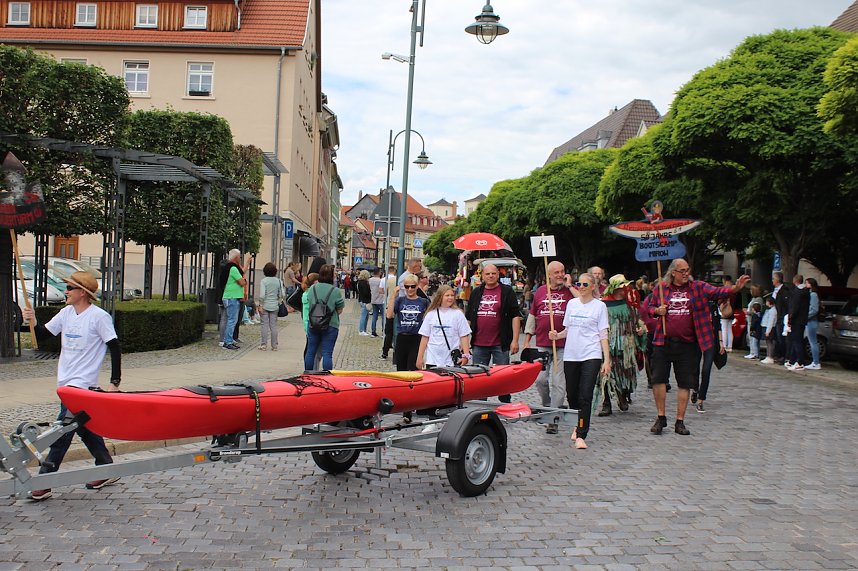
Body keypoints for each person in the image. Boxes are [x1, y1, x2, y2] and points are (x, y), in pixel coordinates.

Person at [22, 271, 122, 501]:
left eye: (69, 288)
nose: (65, 292)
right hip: (65, 384)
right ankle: (106, 466)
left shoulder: (99, 317)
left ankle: (45, 481)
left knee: (62, 431)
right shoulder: (66, 313)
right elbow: (42, 336)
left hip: (82, 386)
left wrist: (114, 382)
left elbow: (115, 347)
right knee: (84, 428)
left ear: (83, 293)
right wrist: (32, 320)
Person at [646, 258, 750, 435]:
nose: (686, 273)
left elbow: (718, 292)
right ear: (673, 273)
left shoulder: (698, 287)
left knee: (685, 382)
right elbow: (649, 307)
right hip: (663, 342)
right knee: (658, 380)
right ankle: (661, 417)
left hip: (687, 344)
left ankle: (680, 421)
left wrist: (735, 288)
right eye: (682, 271)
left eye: (688, 270)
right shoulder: (662, 289)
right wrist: (657, 311)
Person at [549, 272, 611, 450]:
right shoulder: (572, 304)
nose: (581, 287)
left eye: (585, 284)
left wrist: (606, 359)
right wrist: (557, 335)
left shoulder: (599, 306)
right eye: (579, 284)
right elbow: (567, 330)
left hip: (591, 354)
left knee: (585, 394)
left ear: (593, 287)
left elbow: (603, 334)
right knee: (572, 394)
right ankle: (577, 422)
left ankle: (582, 433)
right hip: (571, 354)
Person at [522, 260, 575, 433]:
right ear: (549, 275)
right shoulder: (540, 291)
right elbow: (533, 316)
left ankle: (553, 418)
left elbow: (583, 301)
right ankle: (548, 406)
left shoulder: (570, 292)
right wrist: (526, 341)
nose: (560, 275)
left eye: (562, 271)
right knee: (540, 380)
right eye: (556, 272)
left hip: (563, 344)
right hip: (542, 343)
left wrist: (570, 285)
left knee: (559, 382)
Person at [465, 263, 522, 403]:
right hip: (479, 343)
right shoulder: (476, 292)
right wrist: (464, 342)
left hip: (500, 343)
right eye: (487, 274)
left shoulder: (507, 291)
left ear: (498, 275)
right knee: (479, 379)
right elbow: (468, 318)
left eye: (493, 273)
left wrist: (515, 340)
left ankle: (505, 404)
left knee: (503, 378)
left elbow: (515, 316)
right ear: (482, 276)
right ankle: (480, 405)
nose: (490, 276)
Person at [598, 274, 647, 417]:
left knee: (626, 371)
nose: (625, 290)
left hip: (627, 344)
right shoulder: (602, 305)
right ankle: (606, 403)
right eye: (622, 287)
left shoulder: (630, 304)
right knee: (606, 373)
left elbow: (637, 321)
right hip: (608, 343)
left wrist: (640, 330)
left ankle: (623, 395)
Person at [416, 285, 471, 370]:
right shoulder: (431, 314)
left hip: (451, 360)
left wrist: (466, 355)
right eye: (447, 295)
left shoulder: (458, 314)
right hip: (432, 359)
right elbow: (425, 337)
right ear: (440, 297)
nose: (450, 298)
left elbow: (464, 335)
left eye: (452, 295)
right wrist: (420, 357)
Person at [303, 265, 345, 371]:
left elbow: (309, 302)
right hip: (330, 324)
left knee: (310, 351)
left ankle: (308, 374)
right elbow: (339, 310)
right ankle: (327, 376)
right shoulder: (335, 291)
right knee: (327, 353)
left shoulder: (312, 289)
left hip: (313, 322)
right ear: (331, 276)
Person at [389, 274, 430, 372]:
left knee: (413, 369)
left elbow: (430, 319)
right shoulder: (400, 300)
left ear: (417, 286)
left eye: (413, 286)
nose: (410, 289)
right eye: (407, 286)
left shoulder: (424, 302)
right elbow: (389, 315)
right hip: (402, 337)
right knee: (401, 370)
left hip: (416, 338)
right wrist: (393, 296)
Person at [691, 298, 725, 414]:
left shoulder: (713, 307)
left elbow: (718, 325)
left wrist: (721, 342)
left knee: (706, 370)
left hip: (711, 341)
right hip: (697, 340)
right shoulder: (696, 306)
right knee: (694, 367)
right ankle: (695, 388)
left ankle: (701, 400)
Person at [220, 249, 247, 350]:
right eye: (239, 257)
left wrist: (241, 280)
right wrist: (244, 280)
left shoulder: (229, 267)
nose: (240, 258)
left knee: (230, 320)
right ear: (236, 258)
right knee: (232, 320)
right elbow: (242, 282)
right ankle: (228, 342)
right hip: (232, 297)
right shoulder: (233, 268)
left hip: (229, 296)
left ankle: (228, 340)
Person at [785, 274, 810, 371]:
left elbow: (794, 307)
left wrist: (790, 319)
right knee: (797, 340)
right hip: (802, 319)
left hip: (797, 319)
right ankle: (793, 360)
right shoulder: (805, 292)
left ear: (794, 280)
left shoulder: (797, 292)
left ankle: (800, 362)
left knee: (796, 341)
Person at [258, 262, 284, 351]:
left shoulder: (264, 281)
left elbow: (262, 295)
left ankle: (263, 344)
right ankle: (274, 345)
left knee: (264, 325)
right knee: (273, 325)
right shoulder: (279, 281)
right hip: (275, 306)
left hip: (265, 305)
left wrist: (260, 304)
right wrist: (278, 301)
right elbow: (282, 294)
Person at [301, 273, 322, 370]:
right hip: (313, 323)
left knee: (309, 348)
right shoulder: (313, 294)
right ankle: (310, 369)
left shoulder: (306, 293)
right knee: (312, 350)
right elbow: (318, 310)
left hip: (307, 322)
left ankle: (308, 368)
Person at [772, 271, 791, 364]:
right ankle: (778, 354)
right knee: (777, 337)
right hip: (777, 316)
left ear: (778, 280)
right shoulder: (775, 290)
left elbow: (785, 305)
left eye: (773, 279)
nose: (772, 281)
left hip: (782, 317)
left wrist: (783, 315)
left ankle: (784, 356)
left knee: (782, 338)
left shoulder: (784, 291)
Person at [804, 278, 822, 370]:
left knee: (813, 342)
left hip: (811, 321)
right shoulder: (811, 294)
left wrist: (805, 316)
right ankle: (815, 362)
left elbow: (814, 309)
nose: (805, 285)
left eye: (807, 283)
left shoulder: (813, 295)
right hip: (810, 321)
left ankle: (816, 362)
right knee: (812, 341)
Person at [381, 265, 398, 359]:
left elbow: (384, 291)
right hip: (398, 307)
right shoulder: (402, 280)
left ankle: (385, 352)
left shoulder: (389, 280)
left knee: (389, 332)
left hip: (389, 306)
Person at [719, 276, 735, 352]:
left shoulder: (724, 290)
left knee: (724, 329)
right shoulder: (733, 290)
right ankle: (730, 346)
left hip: (724, 312)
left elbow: (720, 301)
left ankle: (724, 346)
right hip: (731, 311)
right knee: (729, 329)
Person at [760, 296, 778, 364]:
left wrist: (768, 331)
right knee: (768, 342)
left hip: (770, 328)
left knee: (770, 342)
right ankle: (768, 356)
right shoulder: (770, 310)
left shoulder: (773, 311)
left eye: (767, 301)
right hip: (768, 327)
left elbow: (771, 321)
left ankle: (770, 356)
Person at [369, 268, 385, 337]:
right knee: (383, 316)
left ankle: (373, 331)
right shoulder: (381, 280)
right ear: (379, 272)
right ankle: (383, 332)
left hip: (373, 299)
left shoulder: (370, 280)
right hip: (381, 300)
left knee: (374, 316)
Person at [356, 269, 372, 336]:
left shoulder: (359, 282)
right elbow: (366, 293)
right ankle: (361, 330)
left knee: (366, 316)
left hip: (361, 300)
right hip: (365, 300)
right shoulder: (364, 283)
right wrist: (370, 293)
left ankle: (364, 330)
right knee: (364, 316)